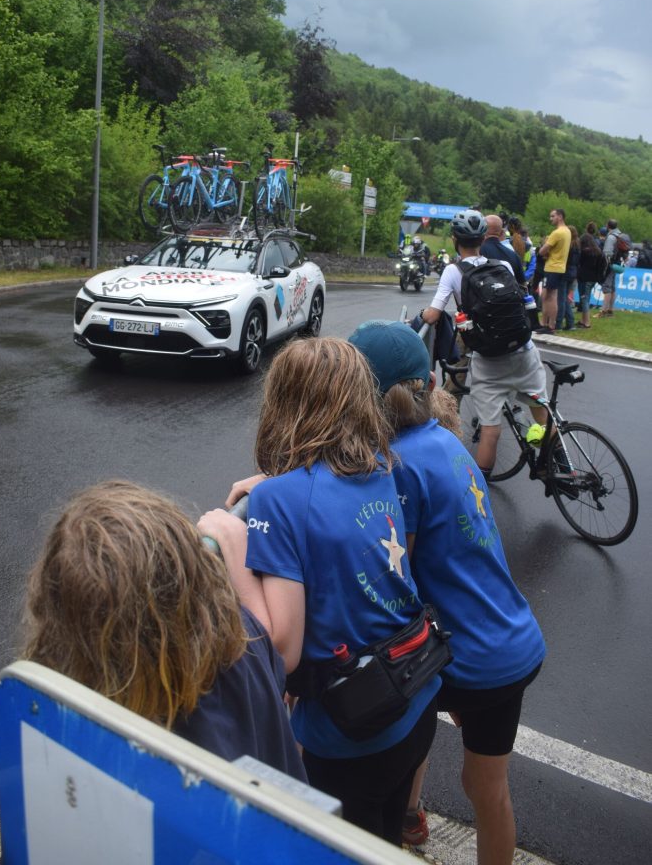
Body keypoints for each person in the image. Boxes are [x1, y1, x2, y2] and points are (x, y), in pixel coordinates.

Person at [197, 338, 440, 845]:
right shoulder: (379, 465)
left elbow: (283, 650)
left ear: (282, 403)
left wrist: (231, 540)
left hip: (353, 735)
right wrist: (275, 483)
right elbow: (325, 494)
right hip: (416, 697)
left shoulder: (280, 501)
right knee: (384, 841)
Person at [349, 321, 545, 865]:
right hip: (507, 633)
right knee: (484, 785)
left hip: (475, 656)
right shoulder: (442, 439)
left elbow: (398, 572)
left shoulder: (401, 466)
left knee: (469, 777)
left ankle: (406, 815)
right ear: (428, 382)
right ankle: (412, 815)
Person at [23, 479, 306, 781]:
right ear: (193, 574)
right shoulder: (236, 645)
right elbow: (272, 650)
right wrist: (238, 546)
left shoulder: (91, 737)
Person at [417, 209, 548, 478]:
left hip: (490, 359)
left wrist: (419, 318)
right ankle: (560, 466)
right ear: (484, 238)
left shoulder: (453, 271)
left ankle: (480, 495)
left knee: (490, 429)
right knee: (542, 414)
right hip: (524, 350)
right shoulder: (505, 266)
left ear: (455, 239)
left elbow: (433, 314)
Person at [537, 208, 571, 334]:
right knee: (550, 296)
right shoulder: (567, 231)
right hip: (561, 267)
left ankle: (548, 324)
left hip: (552, 267)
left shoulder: (557, 233)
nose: (550, 219)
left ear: (560, 216)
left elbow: (542, 251)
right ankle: (547, 323)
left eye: (553, 216)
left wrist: (545, 243)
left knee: (548, 297)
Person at [480, 215, 526, 286]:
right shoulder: (514, 255)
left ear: (482, 229)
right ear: (501, 232)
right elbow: (523, 285)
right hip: (509, 295)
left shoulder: (477, 252)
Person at [576, 228, 604, 329]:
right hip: (593, 279)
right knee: (586, 299)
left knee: (584, 299)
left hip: (584, 278)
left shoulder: (584, 252)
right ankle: (583, 320)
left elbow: (580, 264)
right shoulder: (598, 252)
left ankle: (587, 322)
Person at [557, 226, 580, 331]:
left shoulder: (568, 246)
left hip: (565, 272)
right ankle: (570, 322)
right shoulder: (578, 245)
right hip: (573, 273)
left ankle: (559, 323)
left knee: (561, 299)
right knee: (565, 298)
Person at [599, 218, 623, 317]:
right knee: (612, 288)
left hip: (610, 265)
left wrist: (605, 265)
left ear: (607, 226)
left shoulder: (611, 237)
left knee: (607, 287)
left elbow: (607, 253)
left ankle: (603, 311)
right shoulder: (620, 235)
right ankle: (610, 310)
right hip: (617, 264)